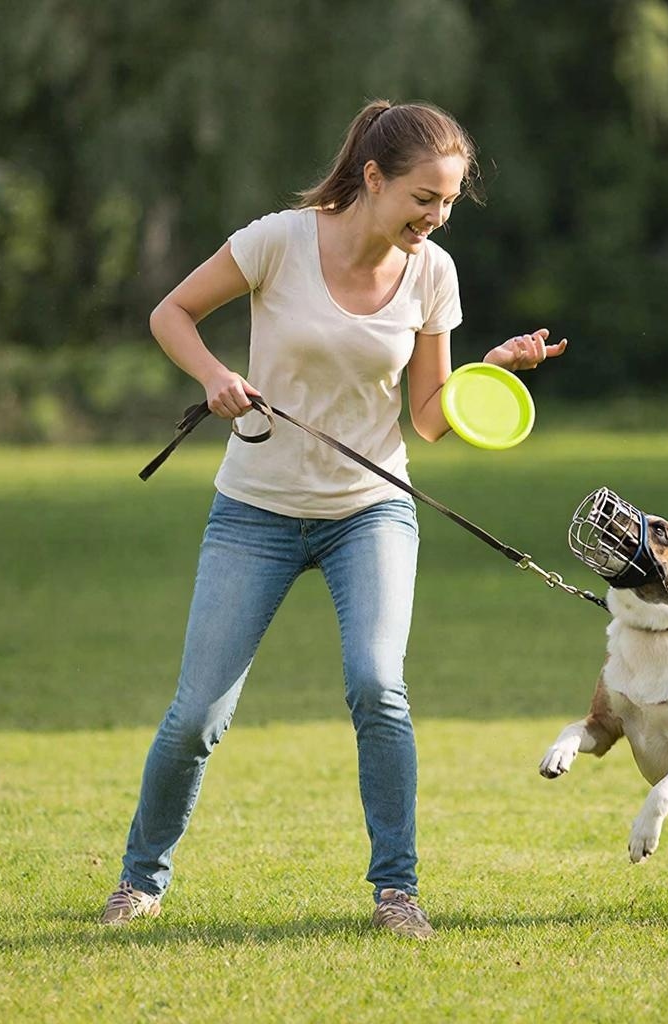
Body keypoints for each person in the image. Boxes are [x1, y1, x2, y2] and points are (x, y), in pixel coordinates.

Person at [100, 99, 567, 939]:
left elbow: (425, 417)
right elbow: (170, 312)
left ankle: (397, 893)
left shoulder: (433, 274)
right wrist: (213, 375)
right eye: (424, 198)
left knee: (377, 687)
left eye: (450, 202)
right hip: (256, 509)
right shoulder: (278, 240)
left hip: (371, 509)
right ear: (375, 178)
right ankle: (140, 881)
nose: (437, 217)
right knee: (198, 713)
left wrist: (489, 370)